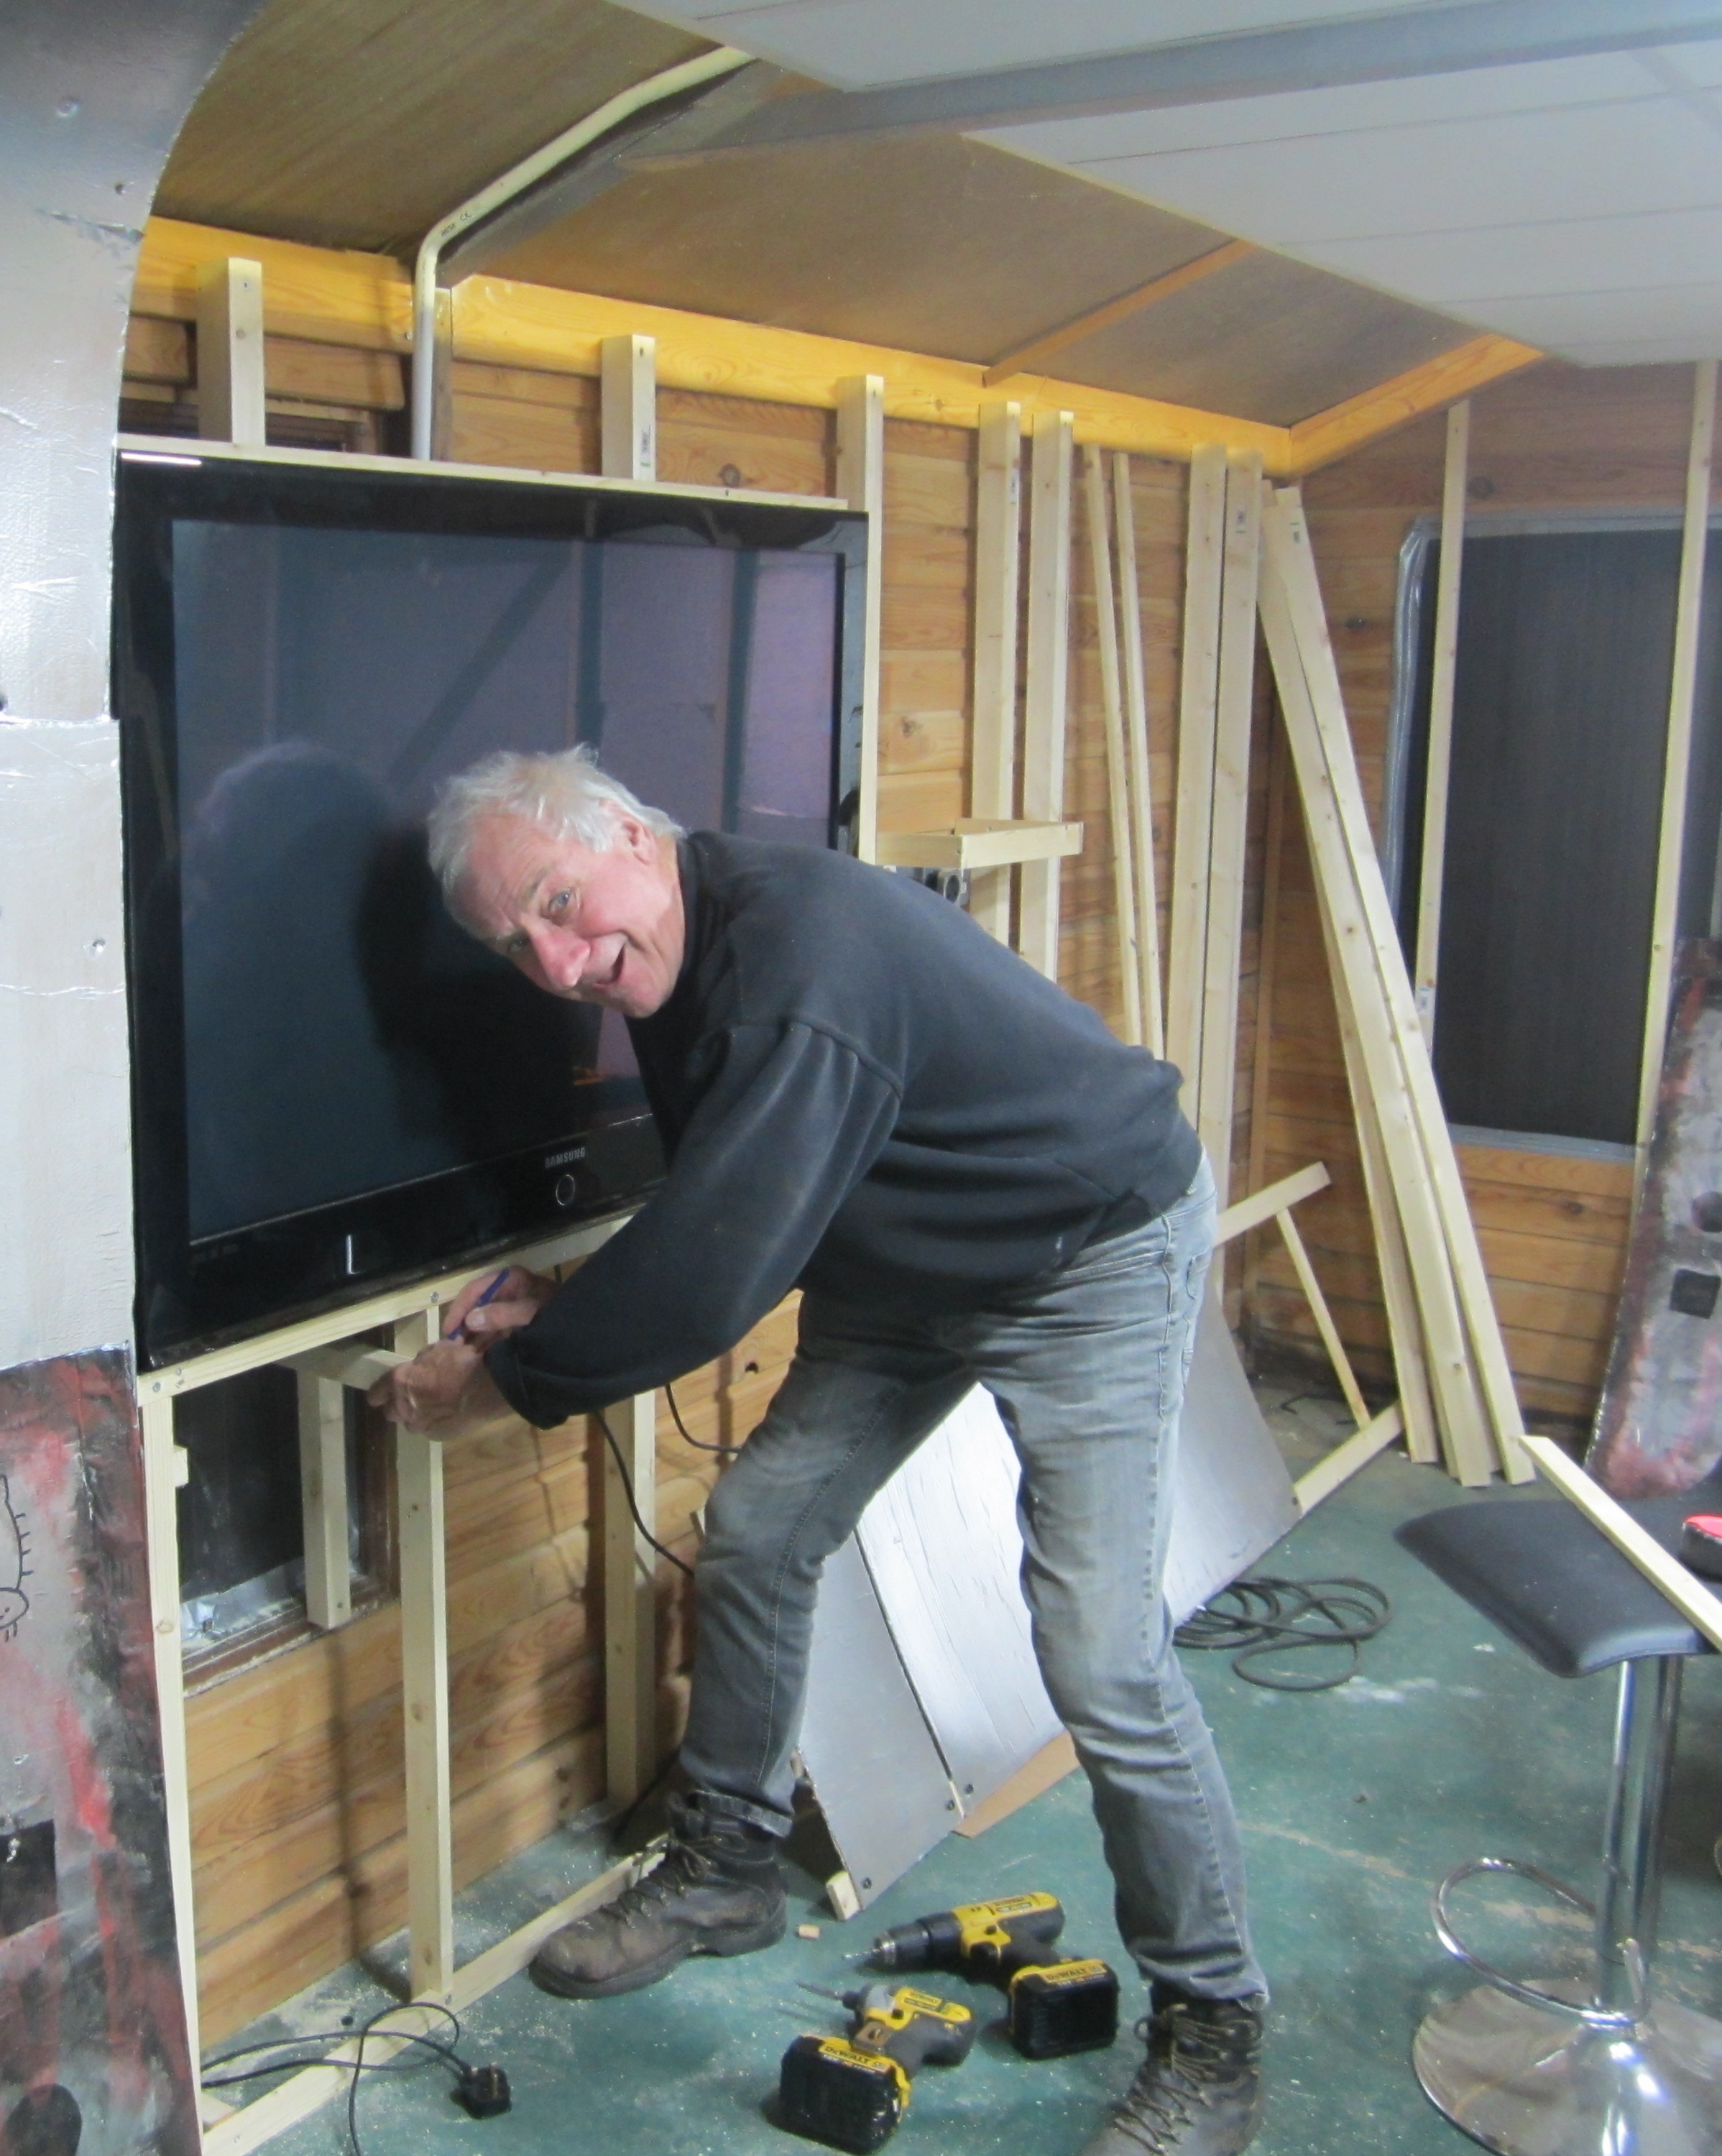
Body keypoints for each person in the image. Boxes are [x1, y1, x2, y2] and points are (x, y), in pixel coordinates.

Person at [369, 746, 1266, 2156]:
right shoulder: (682, 941)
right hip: (900, 1261)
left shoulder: (799, 956)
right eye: (514, 944)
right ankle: (727, 1868)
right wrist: (573, 1301)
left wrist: (498, 1381)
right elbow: (733, 1184)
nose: (557, 964)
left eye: (557, 903)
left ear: (627, 832)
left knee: (1097, 1652)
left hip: (1083, 1246)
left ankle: (1214, 2024)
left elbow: (714, 1269)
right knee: (759, 1531)